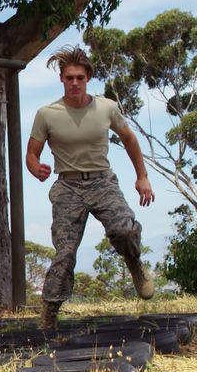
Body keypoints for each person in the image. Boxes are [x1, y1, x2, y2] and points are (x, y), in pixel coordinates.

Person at [26, 45, 155, 330]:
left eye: (80, 78)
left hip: (102, 181)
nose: (74, 83)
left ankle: (135, 265)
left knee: (124, 230)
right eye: (69, 77)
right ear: (62, 79)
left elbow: (130, 139)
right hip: (67, 186)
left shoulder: (106, 108)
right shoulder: (47, 114)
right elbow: (31, 153)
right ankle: (49, 313)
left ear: (88, 79)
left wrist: (142, 176)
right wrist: (36, 168)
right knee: (65, 253)